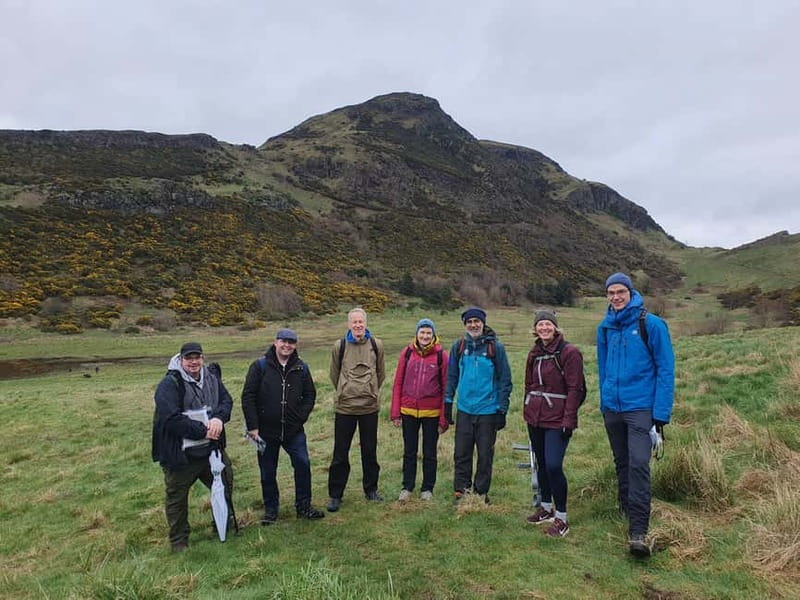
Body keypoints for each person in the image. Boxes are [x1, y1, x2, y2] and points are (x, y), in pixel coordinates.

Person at [597, 272, 675, 557]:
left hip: (641, 407)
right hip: (613, 408)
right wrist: (604, 401)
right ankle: (627, 508)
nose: (615, 297)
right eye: (610, 293)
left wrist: (661, 413)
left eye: (620, 292)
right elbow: (603, 368)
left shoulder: (651, 324)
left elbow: (666, 368)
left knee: (639, 463)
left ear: (631, 292)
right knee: (622, 461)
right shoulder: (605, 328)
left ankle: (638, 531)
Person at [151, 342, 233, 552]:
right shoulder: (169, 384)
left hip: (211, 449)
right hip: (181, 454)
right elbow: (169, 418)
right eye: (189, 358)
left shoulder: (212, 377)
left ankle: (223, 525)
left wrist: (219, 418)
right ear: (181, 360)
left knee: (225, 482)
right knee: (177, 498)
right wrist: (201, 430)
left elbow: (226, 401)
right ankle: (179, 540)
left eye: (198, 357)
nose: (194, 362)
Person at [241, 328, 324, 524]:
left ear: (295, 345)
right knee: (268, 471)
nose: (287, 345)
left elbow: (310, 395)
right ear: (275, 342)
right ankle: (271, 510)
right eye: (283, 341)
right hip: (265, 431)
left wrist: (301, 417)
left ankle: (304, 507)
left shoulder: (301, 368)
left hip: (294, 431)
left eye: (291, 342)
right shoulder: (259, 366)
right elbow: (248, 396)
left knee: (303, 464)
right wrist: (253, 426)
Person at [523, 310, 585, 537]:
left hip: (558, 420)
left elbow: (575, 389)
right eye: (540, 324)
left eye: (548, 324)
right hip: (535, 418)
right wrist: (527, 411)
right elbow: (529, 385)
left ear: (556, 327)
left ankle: (562, 518)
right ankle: (546, 508)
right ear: (535, 328)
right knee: (541, 463)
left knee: (553, 466)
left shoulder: (569, 353)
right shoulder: (534, 353)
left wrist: (569, 419)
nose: (544, 328)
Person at [444, 306, 512, 504]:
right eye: (469, 322)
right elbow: (451, 377)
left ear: (483, 323)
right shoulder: (458, 346)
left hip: (488, 411)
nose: (473, 325)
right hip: (464, 409)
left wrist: (502, 409)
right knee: (461, 453)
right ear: (465, 325)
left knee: (485, 454)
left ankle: (481, 492)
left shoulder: (495, 348)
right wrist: (448, 402)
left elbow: (504, 380)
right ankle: (461, 491)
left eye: (477, 321)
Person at [327, 307, 386, 512]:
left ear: (366, 323)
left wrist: (371, 391)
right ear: (349, 324)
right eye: (354, 322)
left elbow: (381, 373)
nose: (358, 325)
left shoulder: (377, 345)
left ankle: (371, 490)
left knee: (370, 451)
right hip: (345, 408)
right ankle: (335, 494)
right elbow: (334, 374)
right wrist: (345, 391)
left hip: (369, 407)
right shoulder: (340, 346)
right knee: (340, 453)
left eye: (361, 322)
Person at [390, 318, 449, 501]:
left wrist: (444, 418)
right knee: (409, 451)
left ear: (433, 335)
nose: (425, 336)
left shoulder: (442, 356)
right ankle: (407, 487)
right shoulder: (407, 353)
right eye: (422, 332)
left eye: (428, 333)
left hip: (432, 413)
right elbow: (398, 382)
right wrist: (395, 412)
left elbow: (447, 387)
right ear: (416, 334)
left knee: (429, 452)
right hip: (408, 411)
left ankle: (427, 489)